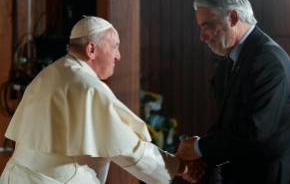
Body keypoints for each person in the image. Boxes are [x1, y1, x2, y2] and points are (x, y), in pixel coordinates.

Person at [0, 16, 204, 184]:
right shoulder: (88, 86)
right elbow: (128, 148)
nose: (118, 56)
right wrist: (179, 166)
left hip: (13, 175)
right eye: (115, 47)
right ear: (91, 50)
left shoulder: (49, 73)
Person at [176, 0, 290, 184]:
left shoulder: (267, 59)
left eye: (206, 25)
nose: (202, 36)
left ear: (233, 18)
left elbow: (254, 130)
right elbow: (228, 125)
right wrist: (202, 160)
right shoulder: (232, 60)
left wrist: (199, 149)